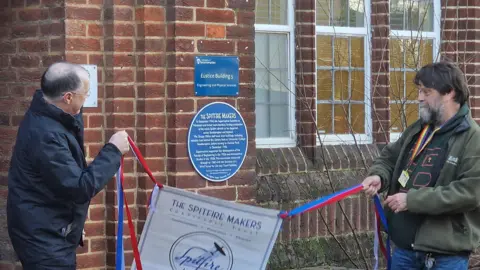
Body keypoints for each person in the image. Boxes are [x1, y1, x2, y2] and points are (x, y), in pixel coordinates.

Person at [7, 62, 130, 269]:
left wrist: (72, 225)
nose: (87, 97)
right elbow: (79, 187)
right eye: (85, 93)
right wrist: (114, 150)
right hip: (43, 239)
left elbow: (57, 182)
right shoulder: (47, 134)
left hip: (49, 228)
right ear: (68, 97)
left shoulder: (50, 117)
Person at [362, 61, 480, 269]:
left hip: (445, 257)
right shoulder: (419, 130)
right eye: (419, 91)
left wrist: (412, 200)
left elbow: (469, 193)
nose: (419, 98)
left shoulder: (473, 139)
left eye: (427, 91)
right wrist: (379, 176)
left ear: (450, 93)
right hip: (405, 251)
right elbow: (389, 158)